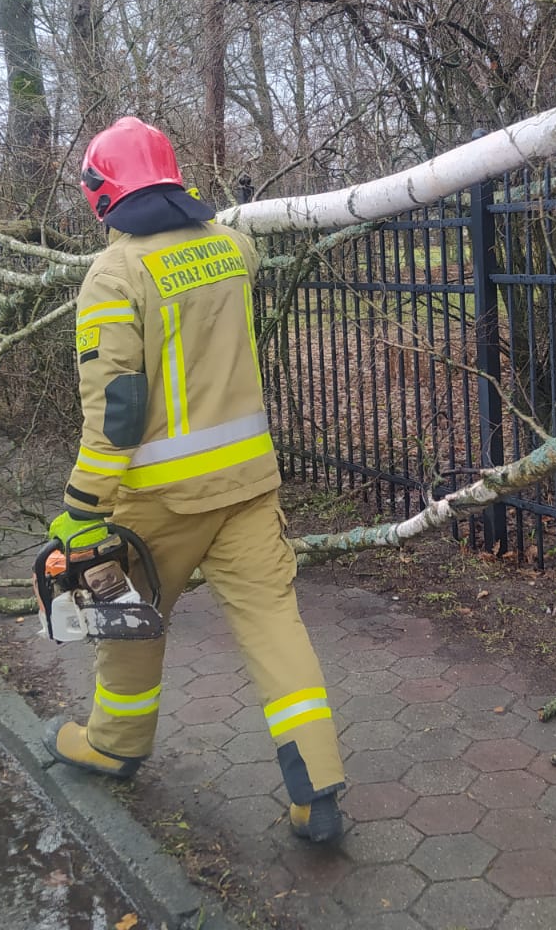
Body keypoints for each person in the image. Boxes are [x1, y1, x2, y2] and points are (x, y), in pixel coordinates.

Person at [42, 116, 346, 844]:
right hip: (248, 485)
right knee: (275, 627)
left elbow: (117, 410)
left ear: (100, 193)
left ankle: (114, 745)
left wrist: (83, 504)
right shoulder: (233, 249)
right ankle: (318, 788)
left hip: (156, 500)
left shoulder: (113, 275)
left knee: (128, 620)